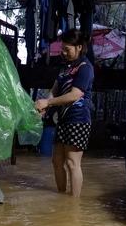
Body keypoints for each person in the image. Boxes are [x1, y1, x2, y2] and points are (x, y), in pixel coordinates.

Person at [35, 29, 94, 197]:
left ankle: (74, 204)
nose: (64, 52)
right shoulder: (64, 67)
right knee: (57, 162)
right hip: (62, 119)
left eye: (68, 49)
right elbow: (55, 89)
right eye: (63, 48)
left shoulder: (85, 68)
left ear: (79, 47)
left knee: (72, 162)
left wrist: (49, 102)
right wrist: (46, 105)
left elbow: (75, 95)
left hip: (78, 120)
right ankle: (62, 199)